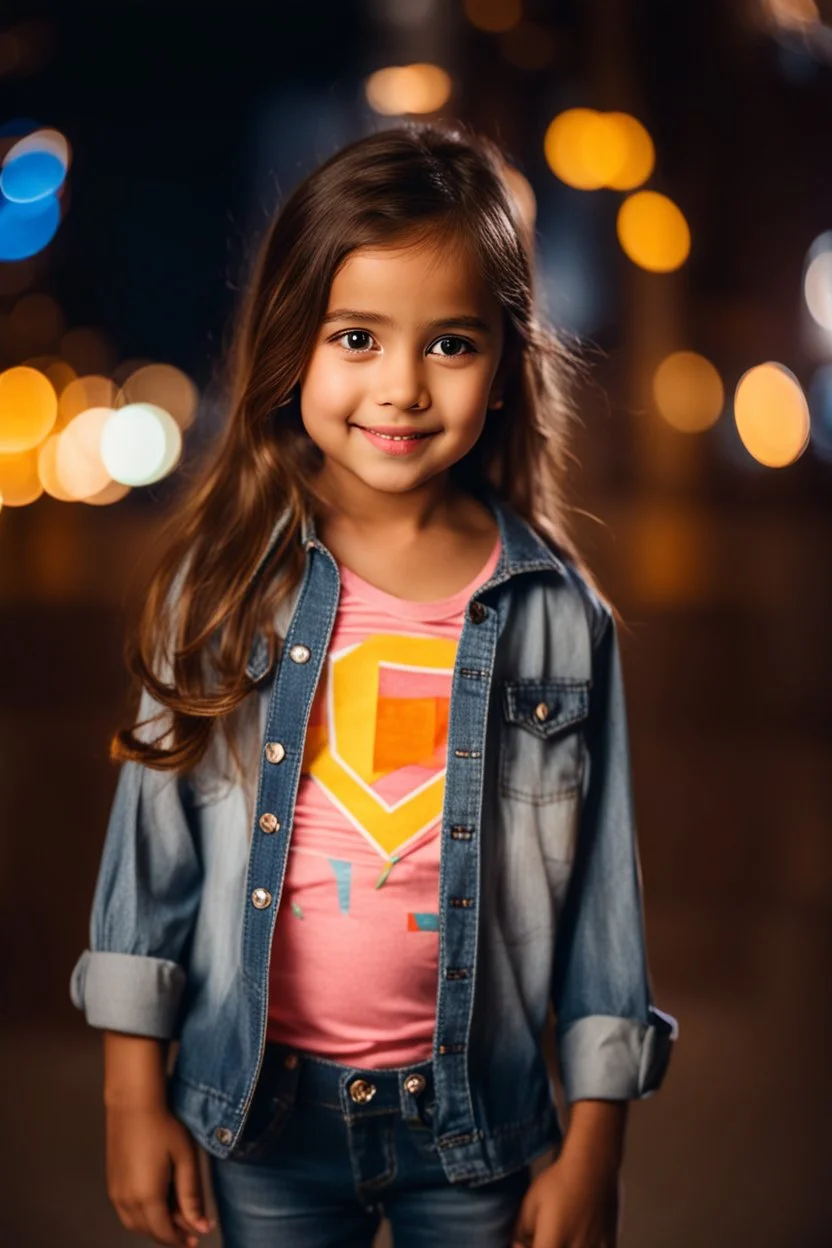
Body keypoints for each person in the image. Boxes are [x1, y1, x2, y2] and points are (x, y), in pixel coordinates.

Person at [70, 119, 678, 1248]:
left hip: (474, 1128)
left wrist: (595, 1144)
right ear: (293, 342)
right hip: (261, 1117)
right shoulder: (219, 589)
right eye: (358, 336)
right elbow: (147, 859)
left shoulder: (557, 617)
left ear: (503, 364)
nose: (400, 387)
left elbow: (603, 900)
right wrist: (128, 1096)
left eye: (449, 343)